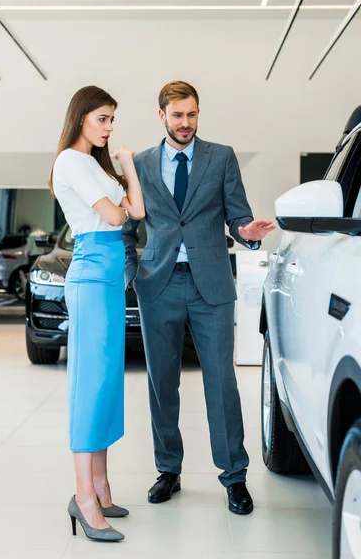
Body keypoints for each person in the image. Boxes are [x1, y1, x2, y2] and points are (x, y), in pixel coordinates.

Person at [123, 81, 275, 516]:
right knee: (161, 383)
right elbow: (127, 226)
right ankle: (168, 469)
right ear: (162, 116)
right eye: (177, 116)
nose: (185, 123)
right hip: (159, 284)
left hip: (211, 284)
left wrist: (247, 234)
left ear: (198, 113)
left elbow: (239, 214)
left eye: (191, 115)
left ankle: (234, 477)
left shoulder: (221, 157)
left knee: (221, 382)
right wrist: (133, 274)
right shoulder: (141, 164)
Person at [50, 85, 145, 542]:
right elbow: (114, 216)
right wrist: (120, 205)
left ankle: (102, 488)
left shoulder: (96, 164)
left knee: (107, 380)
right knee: (89, 383)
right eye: (102, 118)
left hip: (108, 277)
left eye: (112, 120)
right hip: (90, 275)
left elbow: (135, 211)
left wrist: (127, 169)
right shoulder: (71, 160)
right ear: (82, 116)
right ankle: (83, 497)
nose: (108, 128)